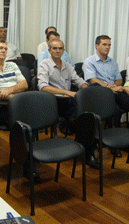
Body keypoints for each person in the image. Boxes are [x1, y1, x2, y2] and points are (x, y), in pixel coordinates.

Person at [37, 39, 101, 168]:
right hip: (53, 102)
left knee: (88, 116)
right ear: (49, 50)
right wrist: (67, 92)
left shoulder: (67, 65)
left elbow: (78, 80)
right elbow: (43, 87)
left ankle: (88, 147)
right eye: (54, 48)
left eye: (60, 48)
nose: (58, 51)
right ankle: (89, 151)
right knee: (82, 118)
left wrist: (85, 89)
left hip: (69, 101)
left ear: (63, 50)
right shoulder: (44, 64)